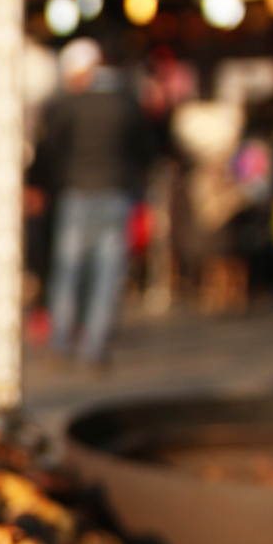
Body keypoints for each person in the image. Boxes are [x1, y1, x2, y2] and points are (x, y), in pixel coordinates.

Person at [41, 37, 155, 366]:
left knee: (68, 270)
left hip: (76, 193)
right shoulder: (127, 103)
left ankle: (61, 340)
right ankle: (93, 344)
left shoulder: (69, 104)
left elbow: (51, 151)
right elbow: (146, 149)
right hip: (116, 193)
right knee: (106, 273)